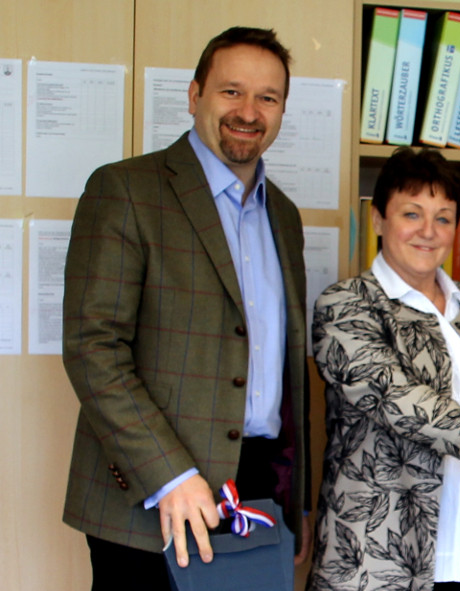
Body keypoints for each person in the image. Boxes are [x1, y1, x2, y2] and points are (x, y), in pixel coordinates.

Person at [61, 26, 310, 590]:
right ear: (195, 95)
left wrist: (299, 504)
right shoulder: (125, 191)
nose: (249, 111)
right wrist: (170, 475)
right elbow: (92, 348)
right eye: (231, 92)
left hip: (255, 493)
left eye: (267, 98)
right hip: (149, 495)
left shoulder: (285, 217)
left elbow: (289, 375)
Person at [306, 147, 460, 591]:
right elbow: (396, 399)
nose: (428, 231)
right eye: (411, 214)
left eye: (443, 217)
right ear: (379, 219)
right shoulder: (346, 305)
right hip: (385, 565)